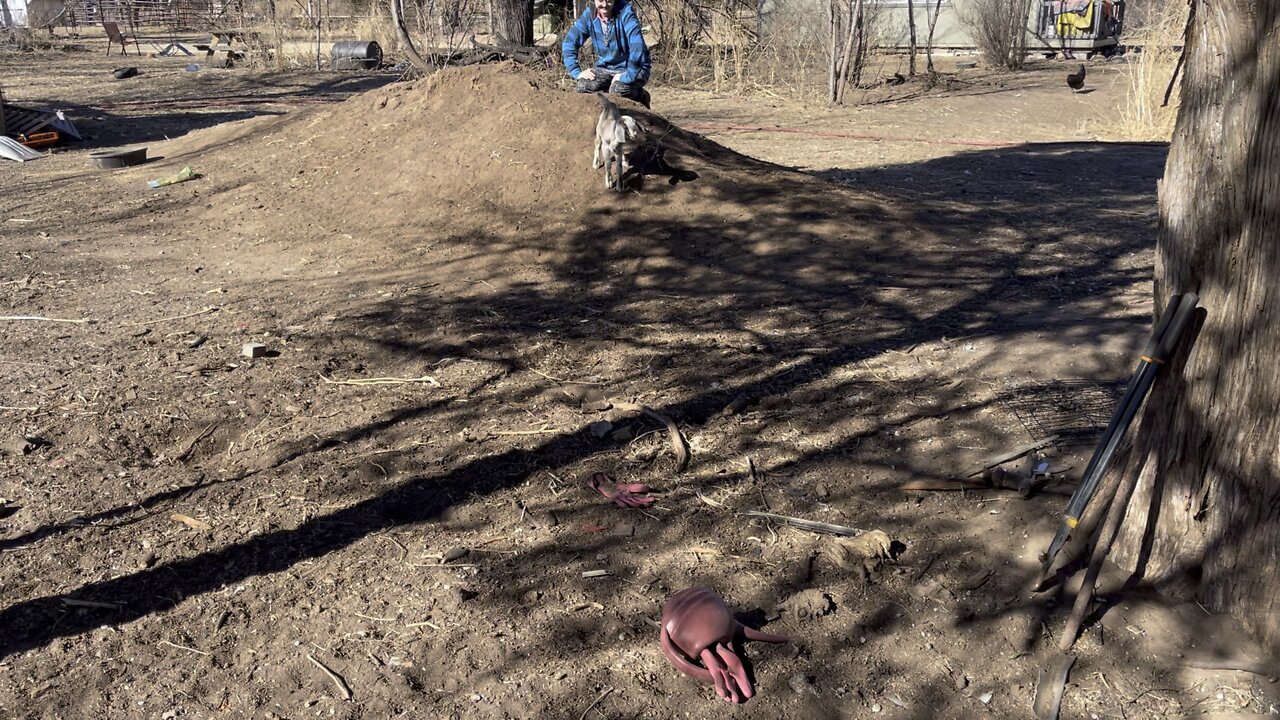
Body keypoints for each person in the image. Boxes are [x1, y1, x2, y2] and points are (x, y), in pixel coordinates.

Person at [562, 0, 652, 107]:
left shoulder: (625, 12)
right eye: (600, 0)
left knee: (618, 90)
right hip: (605, 67)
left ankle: (640, 96)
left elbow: (637, 47)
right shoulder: (589, 15)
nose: (604, 5)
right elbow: (569, 42)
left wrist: (627, 77)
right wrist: (576, 72)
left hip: (633, 68)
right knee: (583, 86)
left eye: (609, 0)